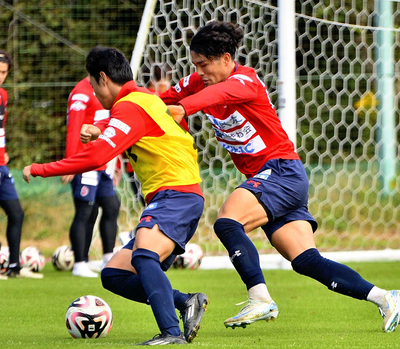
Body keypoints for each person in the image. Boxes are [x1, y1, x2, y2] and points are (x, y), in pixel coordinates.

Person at [160, 21, 400, 333]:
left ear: (225, 58)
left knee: (227, 221)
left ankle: (259, 297)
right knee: (306, 261)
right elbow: (162, 100)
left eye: (204, 64)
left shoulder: (244, 81)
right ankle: (386, 298)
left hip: (280, 171)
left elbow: (206, 97)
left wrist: (184, 108)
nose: (199, 71)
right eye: (195, 65)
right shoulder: (200, 81)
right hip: (276, 178)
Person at [23, 46, 208, 345]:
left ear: (103, 78)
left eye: (94, 86)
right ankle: (186, 301)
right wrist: (101, 128)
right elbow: (142, 130)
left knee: (144, 255)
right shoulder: (146, 99)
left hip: (176, 194)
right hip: (179, 195)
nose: (95, 94)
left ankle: (171, 333)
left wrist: (41, 168)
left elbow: (96, 158)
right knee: (113, 274)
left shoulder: (130, 105)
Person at [62, 76, 120, 278]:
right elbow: (74, 129)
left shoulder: (108, 90)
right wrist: (70, 162)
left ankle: (107, 259)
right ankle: (79, 263)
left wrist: (117, 165)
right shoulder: (81, 92)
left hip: (102, 161)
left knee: (111, 206)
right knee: (85, 211)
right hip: (84, 162)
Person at [0, 50, 42, 279]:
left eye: (4, 72)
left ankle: (14, 266)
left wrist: (3, 154)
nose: (0, 76)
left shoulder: (3, 96)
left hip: (1, 166)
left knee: (16, 213)